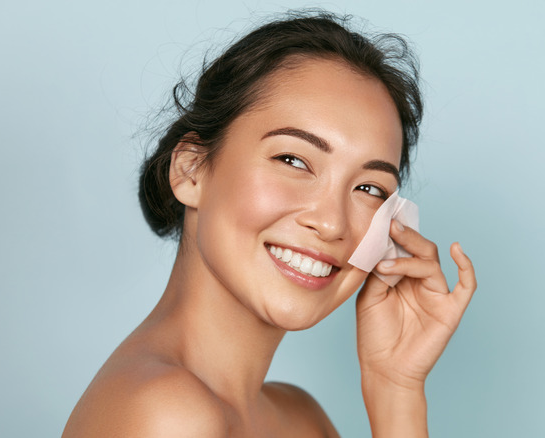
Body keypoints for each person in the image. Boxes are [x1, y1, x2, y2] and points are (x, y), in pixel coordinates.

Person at [62, 11, 476, 438]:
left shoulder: (299, 418)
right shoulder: (166, 414)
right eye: (293, 160)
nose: (332, 223)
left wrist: (395, 388)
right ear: (191, 171)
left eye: (369, 188)